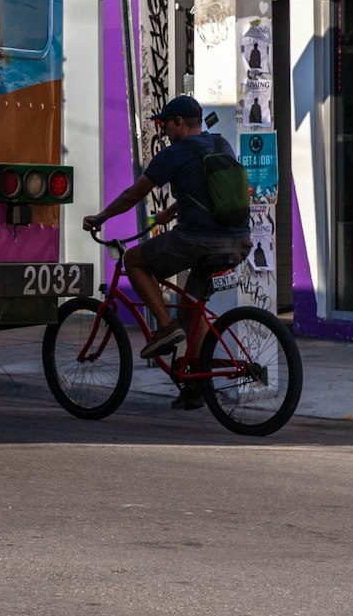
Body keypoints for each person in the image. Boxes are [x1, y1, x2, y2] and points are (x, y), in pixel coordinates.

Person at [81, 95, 253, 409]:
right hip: (238, 241)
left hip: (198, 240)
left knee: (133, 260)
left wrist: (101, 217)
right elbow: (213, 191)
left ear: (178, 123)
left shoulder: (174, 153)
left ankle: (164, 326)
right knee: (192, 306)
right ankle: (194, 384)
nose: (163, 130)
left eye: (166, 124)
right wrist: (172, 212)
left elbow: (133, 194)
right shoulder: (220, 145)